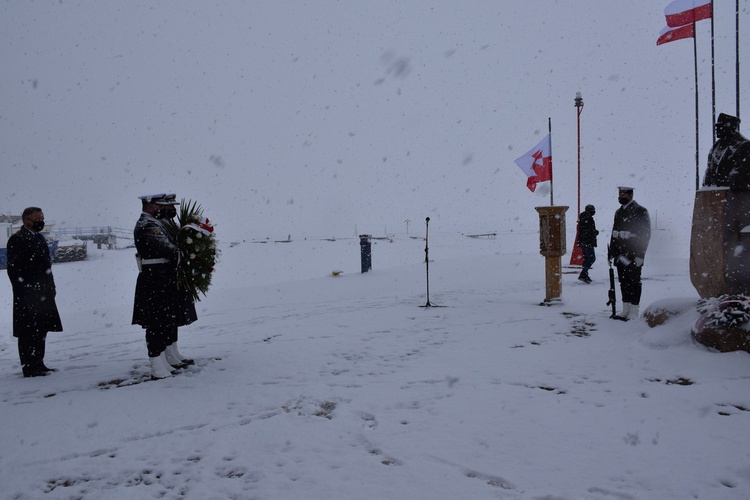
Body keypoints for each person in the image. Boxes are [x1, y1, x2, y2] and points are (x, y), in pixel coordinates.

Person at [132, 193, 197, 379]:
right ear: (152, 206)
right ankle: (156, 362)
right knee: (156, 321)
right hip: (154, 279)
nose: (169, 210)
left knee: (168, 319)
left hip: (165, 277)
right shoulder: (147, 226)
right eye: (164, 206)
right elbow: (167, 249)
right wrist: (188, 252)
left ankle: (168, 356)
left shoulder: (160, 224)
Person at [6, 207, 63, 377]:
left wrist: (51, 287)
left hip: (43, 292)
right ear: (26, 220)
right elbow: (14, 270)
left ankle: (39, 362)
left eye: (42, 218)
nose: (40, 222)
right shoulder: (17, 239)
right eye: (37, 218)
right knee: (27, 332)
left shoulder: (39, 238)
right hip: (27, 295)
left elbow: (46, 266)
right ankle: (29, 366)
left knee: (41, 329)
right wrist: (25, 290)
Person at [608, 187, 651, 321]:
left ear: (630, 195)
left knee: (634, 281)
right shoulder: (618, 212)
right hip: (620, 253)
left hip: (633, 252)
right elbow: (614, 233)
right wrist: (612, 253)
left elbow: (645, 234)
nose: (621, 196)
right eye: (619, 194)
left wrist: (640, 255)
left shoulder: (640, 211)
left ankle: (634, 309)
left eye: (623, 194)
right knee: (623, 281)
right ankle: (625, 308)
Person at [703, 113, 750, 189]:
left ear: (732, 128)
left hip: (735, 196)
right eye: (717, 126)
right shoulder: (715, 147)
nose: (717, 129)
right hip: (714, 195)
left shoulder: (744, 146)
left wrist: (723, 184)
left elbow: (739, 177)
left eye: (721, 126)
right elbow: (709, 174)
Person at [576, 204, 598, 283]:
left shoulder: (584, 217)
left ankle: (584, 274)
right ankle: (583, 274)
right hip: (587, 242)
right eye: (593, 210)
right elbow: (587, 230)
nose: (594, 211)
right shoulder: (588, 218)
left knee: (587, 258)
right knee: (591, 258)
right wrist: (594, 232)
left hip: (584, 241)